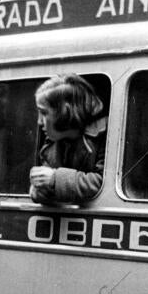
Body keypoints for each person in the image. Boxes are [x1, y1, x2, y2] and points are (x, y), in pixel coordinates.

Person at [30, 74, 107, 203]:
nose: (39, 122)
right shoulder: (52, 145)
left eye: (43, 113)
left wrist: (55, 179)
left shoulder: (104, 136)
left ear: (64, 113)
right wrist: (39, 188)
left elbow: (103, 183)